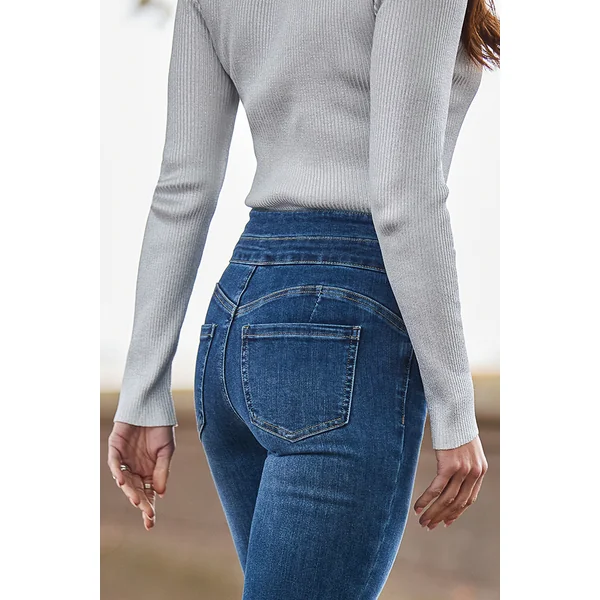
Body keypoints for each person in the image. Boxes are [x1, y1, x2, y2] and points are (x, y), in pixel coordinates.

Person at [107, 0, 500, 597]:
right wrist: (454, 408)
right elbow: (403, 196)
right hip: (344, 325)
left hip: (236, 317)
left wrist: (143, 391)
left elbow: (182, 187)